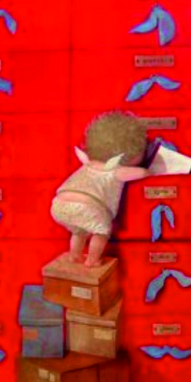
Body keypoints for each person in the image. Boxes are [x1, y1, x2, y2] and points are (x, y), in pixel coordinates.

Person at [50, 111, 150, 267]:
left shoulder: (87, 163)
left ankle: (75, 255)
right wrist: (150, 170)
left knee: (79, 230)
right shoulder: (117, 171)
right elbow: (142, 173)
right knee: (101, 231)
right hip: (88, 206)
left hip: (59, 204)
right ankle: (92, 259)